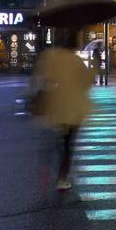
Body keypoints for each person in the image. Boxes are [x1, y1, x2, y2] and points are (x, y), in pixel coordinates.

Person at [29, 28, 95, 192]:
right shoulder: (76, 61)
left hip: (54, 106)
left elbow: (40, 79)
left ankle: (45, 173)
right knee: (67, 145)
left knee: (52, 141)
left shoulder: (51, 57)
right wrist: (94, 65)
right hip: (73, 109)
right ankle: (62, 178)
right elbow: (87, 83)